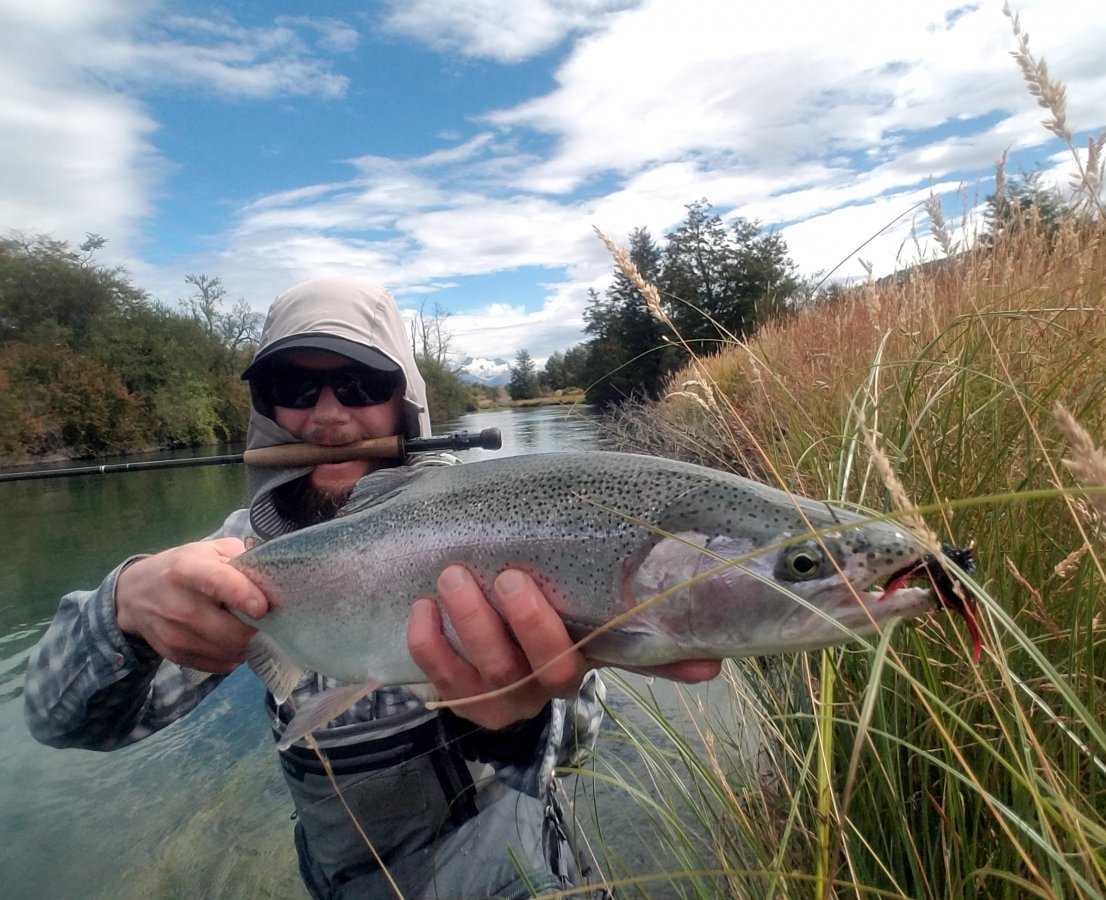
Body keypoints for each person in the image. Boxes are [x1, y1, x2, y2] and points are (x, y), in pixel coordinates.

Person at [24, 275, 720, 899]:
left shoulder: (496, 522)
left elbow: (578, 749)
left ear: (404, 403)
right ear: (265, 410)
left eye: (360, 386)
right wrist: (124, 611)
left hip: (524, 873)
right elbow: (64, 724)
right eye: (295, 389)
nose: (328, 417)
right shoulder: (232, 565)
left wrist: (518, 725)